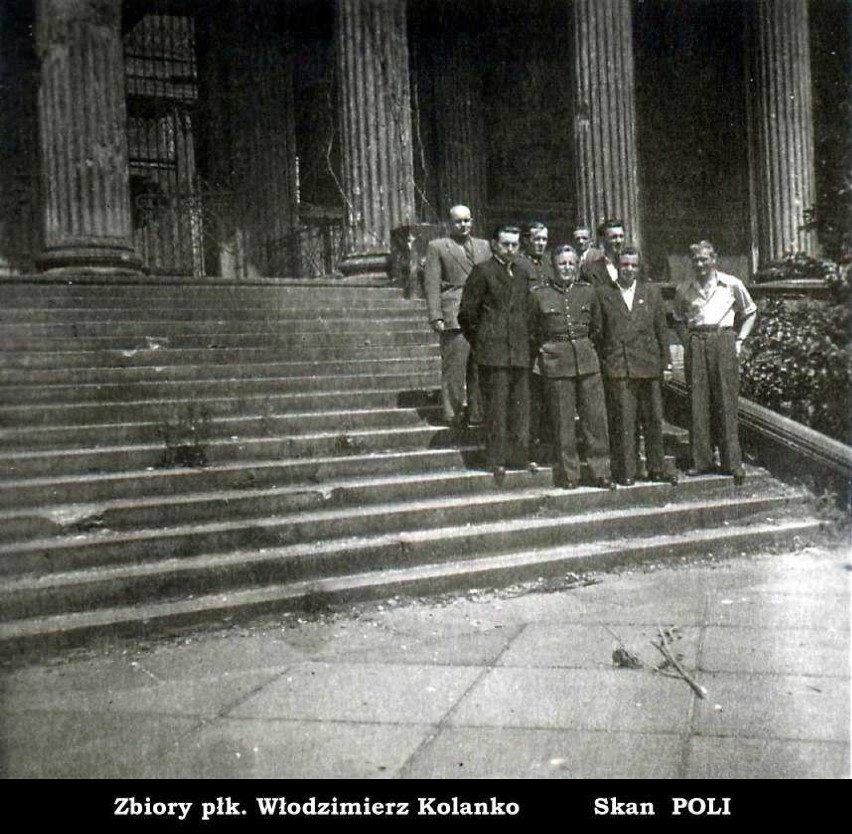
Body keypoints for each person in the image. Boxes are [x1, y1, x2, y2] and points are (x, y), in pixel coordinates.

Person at [528, 244, 615, 490]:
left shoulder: (588, 292)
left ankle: (601, 471)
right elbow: (532, 330)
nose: (566, 268)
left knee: (595, 420)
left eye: (571, 263)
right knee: (563, 422)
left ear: (577, 266)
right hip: (556, 363)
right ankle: (570, 474)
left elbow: (598, 328)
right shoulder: (538, 294)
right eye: (561, 263)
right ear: (553, 267)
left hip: (587, 362)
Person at [673, 240, 757, 485]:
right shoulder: (684, 288)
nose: (700, 264)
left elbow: (750, 312)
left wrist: (739, 339)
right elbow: (677, 318)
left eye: (704, 259)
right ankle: (702, 461)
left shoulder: (731, 284)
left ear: (714, 259)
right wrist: (687, 341)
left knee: (726, 400)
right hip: (697, 340)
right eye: (696, 260)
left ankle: (732, 462)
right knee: (698, 401)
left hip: (724, 340)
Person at [459, 225, 536, 478]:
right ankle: (496, 459)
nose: (511, 249)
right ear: (494, 244)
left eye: (515, 244)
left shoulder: (523, 273)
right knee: (497, 409)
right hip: (493, 354)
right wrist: (484, 340)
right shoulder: (482, 271)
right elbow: (467, 315)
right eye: (506, 244)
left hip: (519, 352)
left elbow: (528, 312)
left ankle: (519, 457)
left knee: (520, 408)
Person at [596, 247, 676, 486]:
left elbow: (662, 331)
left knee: (652, 419)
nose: (629, 270)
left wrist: (667, 363)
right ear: (617, 267)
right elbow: (599, 332)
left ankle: (656, 467)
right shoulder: (603, 293)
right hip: (620, 365)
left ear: (639, 268)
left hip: (649, 365)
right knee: (624, 420)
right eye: (625, 265)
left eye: (634, 265)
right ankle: (626, 470)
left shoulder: (651, 292)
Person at [423, 204, 491, 427]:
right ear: (449, 224)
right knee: (455, 366)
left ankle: (478, 412)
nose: (464, 225)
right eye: (458, 221)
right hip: (454, 311)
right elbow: (432, 283)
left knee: (479, 366)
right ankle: (452, 413)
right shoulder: (438, 246)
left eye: (467, 220)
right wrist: (436, 316)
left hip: (481, 313)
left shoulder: (484, 246)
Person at [516, 222, 555, 460]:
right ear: (527, 240)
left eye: (544, 239)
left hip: (550, 336)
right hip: (528, 338)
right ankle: (528, 447)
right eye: (537, 239)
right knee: (530, 395)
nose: (541, 243)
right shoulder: (520, 265)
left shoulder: (551, 264)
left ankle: (548, 444)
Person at [580, 218, 626, 287]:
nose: (619, 241)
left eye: (621, 236)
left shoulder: (634, 266)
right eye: (614, 237)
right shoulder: (590, 271)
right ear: (602, 240)